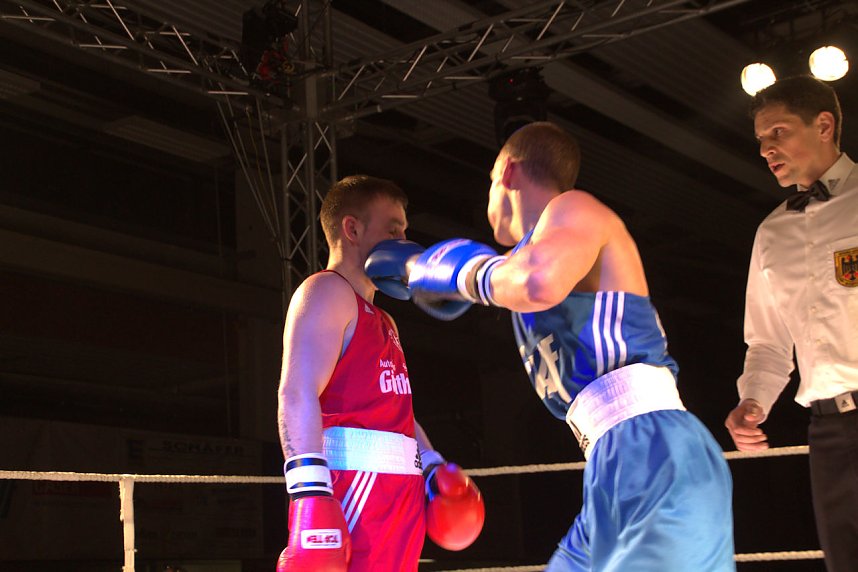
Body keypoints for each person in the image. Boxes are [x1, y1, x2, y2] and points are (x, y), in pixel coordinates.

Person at [367, 122, 735, 571]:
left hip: (653, 450)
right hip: (613, 462)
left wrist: (455, 271)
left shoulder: (574, 208)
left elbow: (537, 282)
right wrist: (425, 270)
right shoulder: (521, 260)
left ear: (507, 172)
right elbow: (517, 277)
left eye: (491, 181)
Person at [276, 175, 484, 572]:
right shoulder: (326, 291)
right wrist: (309, 492)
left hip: (400, 495)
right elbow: (296, 392)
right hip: (355, 489)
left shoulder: (385, 320)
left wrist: (434, 466)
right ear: (352, 229)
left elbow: (398, 414)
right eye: (392, 230)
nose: (404, 243)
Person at [724, 75, 858, 572]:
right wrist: (753, 401)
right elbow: (768, 342)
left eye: (778, 132)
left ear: (823, 126)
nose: (766, 149)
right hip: (829, 431)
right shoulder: (771, 232)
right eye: (761, 139)